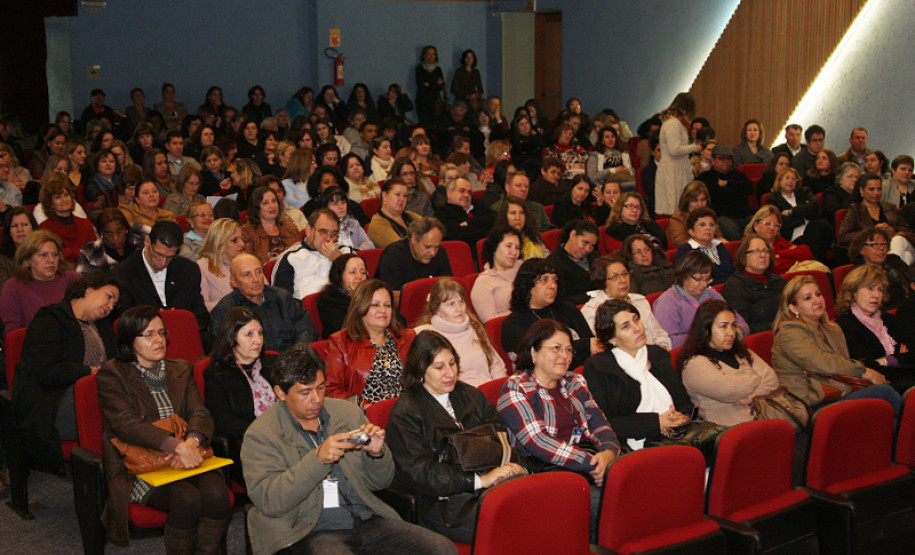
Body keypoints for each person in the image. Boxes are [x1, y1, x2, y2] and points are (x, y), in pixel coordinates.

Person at [241, 343, 455, 555]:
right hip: (309, 530)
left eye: (321, 387)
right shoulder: (261, 434)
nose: (316, 399)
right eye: (305, 392)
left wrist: (376, 455)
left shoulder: (346, 413)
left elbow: (381, 482)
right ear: (280, 393)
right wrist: (317, 460)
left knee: (442, 549)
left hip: (366, 518)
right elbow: (270, 501)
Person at [96, 306, 231, 552]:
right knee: (187, 499)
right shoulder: (112, 374)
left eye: (161, 332)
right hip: (139, 462)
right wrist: (176, 445)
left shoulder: (179, 368)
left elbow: (199, 413)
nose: (158, 340)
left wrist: (191, 444)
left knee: (218, 494)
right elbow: (125, 425)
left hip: (186, 453)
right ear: (129, 339)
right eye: (148, 335)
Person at [386, 330, 527, 544]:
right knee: (510, 524)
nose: (450, 373)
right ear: (421, 371)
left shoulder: (469, 394)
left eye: (453, 363)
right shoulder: (406, 412)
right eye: (439, 367)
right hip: (442, 501)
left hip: (489, 481)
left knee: (537, 504)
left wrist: (510, 464)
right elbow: (421, 472)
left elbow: (500, 434)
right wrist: (478, 480)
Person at [498, 319, 619, 534]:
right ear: (534, 353)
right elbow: (538, 442)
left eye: (568, 350)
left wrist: (608, 452)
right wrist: (591, 463)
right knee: (606, 505)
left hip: (589, 464)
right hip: (546, 474)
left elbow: (599, 422)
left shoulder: (575, 381)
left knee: (635, 490)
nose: (565, 356)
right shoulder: (516, 388)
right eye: (556, 348)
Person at [12, 273, 118, 474]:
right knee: (111, 398)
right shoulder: (50, 319)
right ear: (88, 290)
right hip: (53, 402)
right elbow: (46, 370)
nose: (111, 306)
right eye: (109, 297)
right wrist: (89, 372)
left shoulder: (102, 326)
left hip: (98, 396)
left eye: (115, 304)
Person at [771, 275, 901, 413]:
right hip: (809, 403)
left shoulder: (832, 329)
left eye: (818, 294)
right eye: (808, 298)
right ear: (793, 308)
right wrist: (863, 371)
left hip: (838, 392)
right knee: (884, 393)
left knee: (886, 393)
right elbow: (820, 362)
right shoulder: (789, 332)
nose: (817, 300)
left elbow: (842, 364)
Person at [584, 299, 693, 451]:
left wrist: (682, 417)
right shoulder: (599, 367)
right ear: (612, 339)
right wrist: (656, 423)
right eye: (625, 326)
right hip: (633, 445)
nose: (637, 328)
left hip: (678, 435)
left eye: (636, 320)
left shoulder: (657, 354)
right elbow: (605, 421)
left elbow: (683, 400)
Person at [202, 306, 276, 486]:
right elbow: (219, 421)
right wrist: (262, 429)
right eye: (249, 334)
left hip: (284, 437)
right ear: (231, 338)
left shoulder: (273, 365)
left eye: (260, 333)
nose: (258, 340)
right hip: (247, 445)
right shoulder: (217, 374)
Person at [678, 300, 780, 426]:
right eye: (723, 326)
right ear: (706, 329)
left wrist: (749, 398)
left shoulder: (740, 351)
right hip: (727, 432)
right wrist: (756, 379)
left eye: (733, 325)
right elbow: (727, 390)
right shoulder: (694, 363)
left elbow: (772, 379)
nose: (731, 332)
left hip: (762, 419)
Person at [324, 279, 416, 406]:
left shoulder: (407, 338)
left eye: (387, 305)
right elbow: (330, 390)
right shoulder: (340, 342)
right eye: (375, 305)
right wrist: (362, 405)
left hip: (406, 413)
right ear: (360, 307)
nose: (383, 310)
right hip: (366, 417)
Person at [116, 221, 209, 340]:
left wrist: (178, 319)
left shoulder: (188, 270)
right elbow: (124, 322)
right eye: (158, 254)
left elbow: (201, 316)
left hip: (182, 337)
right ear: (147, 242)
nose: (163, 262)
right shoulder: (124, 274)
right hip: (143, 342)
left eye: (170, 257)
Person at [211, 254, 318, 353]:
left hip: (292, 362)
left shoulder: (282, 297)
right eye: (247, 275)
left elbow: (306, 330)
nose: (256, 279)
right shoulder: (225, 311)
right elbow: (226, 351)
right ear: (233, 282)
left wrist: (297, 356)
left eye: (258, 272)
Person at [501, 258, 594, 368]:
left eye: (555, 280)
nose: (553, 285)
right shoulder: (514, 323)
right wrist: (583, 346)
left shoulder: (568, 310)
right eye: (544, 280)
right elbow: (540, 356)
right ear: (527, 285)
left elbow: (592, 344)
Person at [836, 265, 915, 394]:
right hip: (879, 389)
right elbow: (865, 367)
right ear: (853, 292)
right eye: (870, 289)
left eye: (880, 290)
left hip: (904, 382)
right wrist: (899, 360)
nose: (877, 295)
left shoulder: (889, 320)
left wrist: (887, 360)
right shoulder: (844, 326)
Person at [414, 278, 508, 386]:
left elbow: (497, 366)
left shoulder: (474, 328)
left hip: (488, 394)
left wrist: (499, 390)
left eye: (461, 302)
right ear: (437, 310)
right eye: (451, 304)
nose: (459, 309)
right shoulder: (426, 335)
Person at [654, 250, 748, 348]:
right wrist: (708, 336)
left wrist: (731, 334)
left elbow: (741, 323)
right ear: (684, 275)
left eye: (707, 279)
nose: (704, 284)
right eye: (698, 279)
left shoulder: (712, 295)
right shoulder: (668, 301)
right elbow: (668, 341)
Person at [0, 230, 80, 337]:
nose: (51, 260)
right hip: (37, 347)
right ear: (28, 259)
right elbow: (12, 335)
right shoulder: (13, 288)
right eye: (43, 255)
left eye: (55, 254)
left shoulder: (74, 279)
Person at [581, 255, 671, 348]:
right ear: (602, 281)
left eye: (625, 274)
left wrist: (663, 347)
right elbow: (603, 348)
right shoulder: (592, 312)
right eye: (615, 277)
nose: (623, 280)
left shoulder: (640, 301)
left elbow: (659, 334)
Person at [374, 217, 452, 301]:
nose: (433, 253)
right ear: (414, 238)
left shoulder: (440, 253)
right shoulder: (393, 255)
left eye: (436, 247)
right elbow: (394, 300)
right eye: (427, 247)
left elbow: (448, 288)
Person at [720, 233, 785, 333]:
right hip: (762, 340)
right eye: (756, 251)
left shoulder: (778, 281)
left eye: (765, 251)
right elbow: (744, 327)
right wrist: (779, 325)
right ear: (743, 256)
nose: (763, 255)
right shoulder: (735, 287)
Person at [273, 208, 343, 299]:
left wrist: (339, 260)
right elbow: (282, 302)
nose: (329, 239)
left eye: (333, 234)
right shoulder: (290, 257)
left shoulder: (345, 252)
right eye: (323, 232)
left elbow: (362, 290)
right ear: (309, 231)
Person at [765, 167, 833, 261]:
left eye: (794, 179)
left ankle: (814, 262)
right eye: (787, 178)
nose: (790, 181)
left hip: (813, 231)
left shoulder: (804, 192)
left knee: (819, 228)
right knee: (817, 228)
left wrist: (791, 212)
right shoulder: (772, 199)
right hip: (793, 237)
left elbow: (815, 205)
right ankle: (816, 262)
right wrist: (804, 215)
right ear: (779, 181)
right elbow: (780, 222)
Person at [655, 93, 702, 216]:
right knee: (674, 209)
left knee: (682, 207)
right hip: (672, 170)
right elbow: (674, 150)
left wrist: (689, 167)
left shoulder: (676, 123)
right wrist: (694, 147)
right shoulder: (673, 123)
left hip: (678, 168)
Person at [696, 145, 754, 240]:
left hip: (744, 214)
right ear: (713, 160)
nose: (725, 161)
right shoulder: (705, 177)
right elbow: (715, 194)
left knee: (761, 223)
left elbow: (750, 188)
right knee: (731, 230)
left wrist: (726, 184)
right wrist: (734, 188)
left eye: (728, 158)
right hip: (721, 216)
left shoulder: (737, 174)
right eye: (721, 158)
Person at [847, 227, 912, 310]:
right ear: (861, 249)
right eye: (874, 245)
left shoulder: (893, 260)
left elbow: (911, 277)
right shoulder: (859, 274)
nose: (881, 248)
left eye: (883, 244)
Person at [37, 174, 97, 263]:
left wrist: (70, 253)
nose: (64, 199)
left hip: (88, 270)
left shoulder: (85, 224)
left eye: (66, 195)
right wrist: (81, 252)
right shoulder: (45, 228)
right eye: (58, 197)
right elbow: (56, 257)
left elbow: (95, 252)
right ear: (50, 203)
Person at [471, 226, 524, 323]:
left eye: (517, 248)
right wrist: (521, 313)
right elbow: (492, 323)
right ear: (494, 248)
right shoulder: (483, 283)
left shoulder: (525, 269)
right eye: (508, 246)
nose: (514, 252)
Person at [839, 172, 906, 245]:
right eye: (871, 189)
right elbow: (843, 237)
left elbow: (906, 229)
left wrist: (893, 229)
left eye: (879, 189)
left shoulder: (890, 207)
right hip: (869, 249)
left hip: (891, 244)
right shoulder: (855, 209)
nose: (876, 193)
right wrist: (872, 232)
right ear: (861, 190)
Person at [674, 207, 734, 285]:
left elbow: (732, 272)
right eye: (702, 225)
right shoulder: (686, 250)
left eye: (711, 225)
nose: (708, 228)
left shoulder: (720, 246)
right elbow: (685, 280)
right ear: (691, 231)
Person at [240, 185, 300, 264]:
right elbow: (249, 264)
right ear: (257, 208)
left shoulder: (289, 226)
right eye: (265, 203)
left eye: (274, 201)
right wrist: (277, 259)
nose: (272, 206)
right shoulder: (247, 231)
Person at [545, 220, 600, 305]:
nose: (588, 249)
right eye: (585, 243)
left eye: (592, 245)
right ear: (573, 235)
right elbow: (560, 300)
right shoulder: (553, 264)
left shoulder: (595, 257)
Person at [196, 218, 245, 312]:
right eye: (234, 240)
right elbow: (202, 305)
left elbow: (265, 292)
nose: (242, 244)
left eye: (242, 238)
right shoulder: (202, 266)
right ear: (218, 243)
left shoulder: (247, 261)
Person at [317, 253, 367, 339]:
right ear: (339, 275)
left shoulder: (372, 295)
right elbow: (344, 332)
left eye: (363, 272)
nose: (359, 277)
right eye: (352, 272)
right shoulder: (329, 300)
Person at [434, 176, 493, 248]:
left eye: (469, 192)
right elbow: (459, 235)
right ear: (449, 193)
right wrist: (486, 228)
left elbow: (496, 219)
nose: (467, 195)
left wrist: (469, 222)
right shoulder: (442, 212)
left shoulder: (479, 204)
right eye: (462, 191)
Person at [77, 207, 135, 273]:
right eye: (109, 233)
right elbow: (82, 281)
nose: (115, 238)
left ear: (126, 229)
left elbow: (148, 233)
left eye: (119, 231)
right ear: (101, 233)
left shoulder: (138, 244)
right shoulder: (90, 251)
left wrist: (134, 226)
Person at [367, 178, 420, 248]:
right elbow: (400, 249)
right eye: (397, 194)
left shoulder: (411, 216)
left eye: (405, 196)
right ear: (384, 196)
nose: (402, 199)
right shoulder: (377, 225)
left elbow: (431, 230)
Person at [667, 181, 719, 248]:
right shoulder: (678, 218)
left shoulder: (709, 216)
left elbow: (718, 236)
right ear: (687, 201)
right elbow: (682, 243)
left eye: (703, 200)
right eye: (695, 200)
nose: (700, 205)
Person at [0, 207, 37, 290]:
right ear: (9, 231)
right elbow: (4, 292)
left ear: (33, 227)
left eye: (24, 224)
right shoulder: (2, 259)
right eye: (14, 226)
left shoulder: (44, 252)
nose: (20, 230)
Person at [822, 162, 862, 227]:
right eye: (850, 176)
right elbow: (831, 213)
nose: (854, 180)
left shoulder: (861, 195)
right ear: (840, 179)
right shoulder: (832, 193)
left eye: (857, 177)